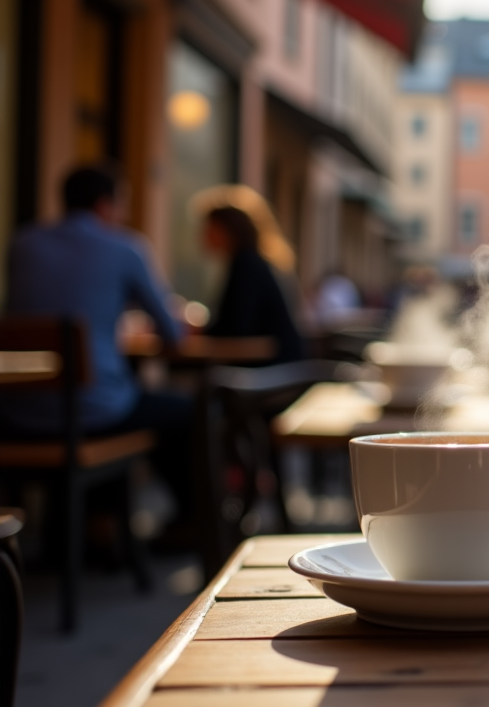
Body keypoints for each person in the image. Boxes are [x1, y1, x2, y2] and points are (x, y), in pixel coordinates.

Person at [0, 166, 193, 511]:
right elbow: (172, 334)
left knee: (117, 396)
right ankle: (189, 522)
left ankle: (96, 527)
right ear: (105, 205)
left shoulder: (23, 244)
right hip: (91, 415)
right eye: (122, 205)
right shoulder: (126, 248)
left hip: (16, 410)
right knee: (185, 410)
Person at [194, 186, 305, 366]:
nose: (202, 236)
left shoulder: (246, 265)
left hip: (271, 373)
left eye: (209, 228)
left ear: (227, 231)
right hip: (276, 367)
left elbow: (235, 329)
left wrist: (199, 330)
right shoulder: (250, 262)